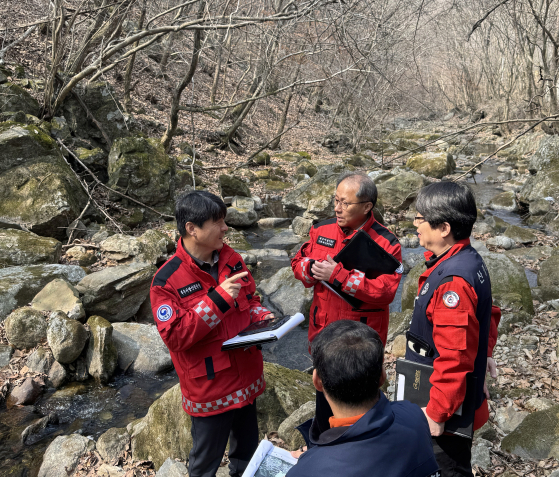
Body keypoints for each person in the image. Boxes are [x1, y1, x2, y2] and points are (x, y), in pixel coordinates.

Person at [150, 191, 275, 477]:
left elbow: (250, 300)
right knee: (205, 465)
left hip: (247, 377)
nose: (225, 228)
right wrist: (217, 300)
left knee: (247, 458)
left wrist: (261, 317)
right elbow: (175, 337)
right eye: (217, 222)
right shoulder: (166, 281)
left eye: (224, 221)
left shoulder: (232, 259)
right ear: (192, 229)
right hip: (210, 388)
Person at [291, 172, 402, 433]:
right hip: (324, 334)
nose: (337, 208)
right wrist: (310, 268)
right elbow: (298, 262)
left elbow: (386, 291)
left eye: (345, 203)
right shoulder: (321, 229)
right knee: (324, 406)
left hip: (361, 342)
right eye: (336, 200)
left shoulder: (386, 242)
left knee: (362, 413)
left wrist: (339, 276)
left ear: (367, 206)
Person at [405, 181, 501, 477]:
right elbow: (487, 314)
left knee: (448, 469)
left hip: (443, 408)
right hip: (448, 394)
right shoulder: (467, 258)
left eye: (420, 218)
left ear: (444, 228)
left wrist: (437, 412)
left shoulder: (453, 282)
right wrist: (484, 355)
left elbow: (455, 356)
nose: (415, 224)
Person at [287, 320, 440, 477]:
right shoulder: (414, 416)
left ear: (317, 381)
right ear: (382, 376)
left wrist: (313, 461)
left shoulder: (305, 472)